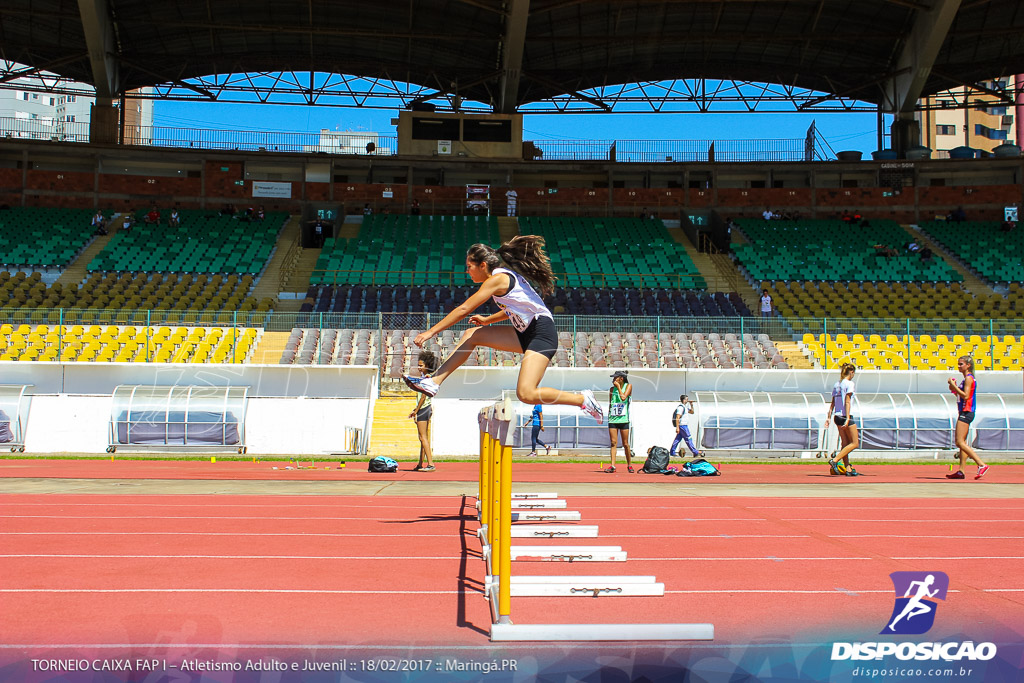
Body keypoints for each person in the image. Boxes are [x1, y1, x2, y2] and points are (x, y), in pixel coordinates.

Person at [402, 236, 604, 426]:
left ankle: (582, 399)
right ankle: (434, 382)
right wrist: (488, 319)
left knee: (526, 393)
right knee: (472, 335)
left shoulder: (497, 279)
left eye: (469, 267)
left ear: (483, 265)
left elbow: (464, 309)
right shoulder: (502, 279)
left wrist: (431, 332)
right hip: (525, 331)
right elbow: (515, 309)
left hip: (541, 332)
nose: (467, 271)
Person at [946, 355, 989, 480]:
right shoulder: (966, 379)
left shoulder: (969, 379)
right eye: (958, 364)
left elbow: (965, 396)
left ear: (968, 365)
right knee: (962, 443)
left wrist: (953, 386)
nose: (959, 366)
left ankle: (981, 464)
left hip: (966, 412)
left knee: (959, 442)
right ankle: (961, 471)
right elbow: (961, 396)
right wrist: (953, 389)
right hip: (965, 411)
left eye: (961, 364)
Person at [826, 363, 860, 476]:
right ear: (851, 372)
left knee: (845, 444)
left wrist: (828, 417)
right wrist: (848, 417)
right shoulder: (850, 384)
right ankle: (835, 460)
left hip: (837, 416)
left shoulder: (837, 384)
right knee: (855, 443)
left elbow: (833, 403)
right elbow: (847, 401)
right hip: (845, 416)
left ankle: (848, 468)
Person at [409, 350, 438, 472]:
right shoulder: (425, 378)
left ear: (427, 366)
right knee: (422, 437)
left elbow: (423, 396)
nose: (419, 367)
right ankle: (420, 463)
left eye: (421, 365)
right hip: (425, 408)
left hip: (424, 408)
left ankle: (430, 464)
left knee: (423, 437)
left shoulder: (426, 378)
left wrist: (416, 410)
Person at [606, 370, 634, 473]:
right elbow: (610, 403)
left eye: (615, 378)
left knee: (626, 443)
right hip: (613, 418)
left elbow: (623, 398)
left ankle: (629, 465)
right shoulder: (611, 389)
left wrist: (618, 387)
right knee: (613, 442)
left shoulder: (628, 386)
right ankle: (612, 465)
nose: (613, 380)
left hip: (623, 419)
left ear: (621, 379)